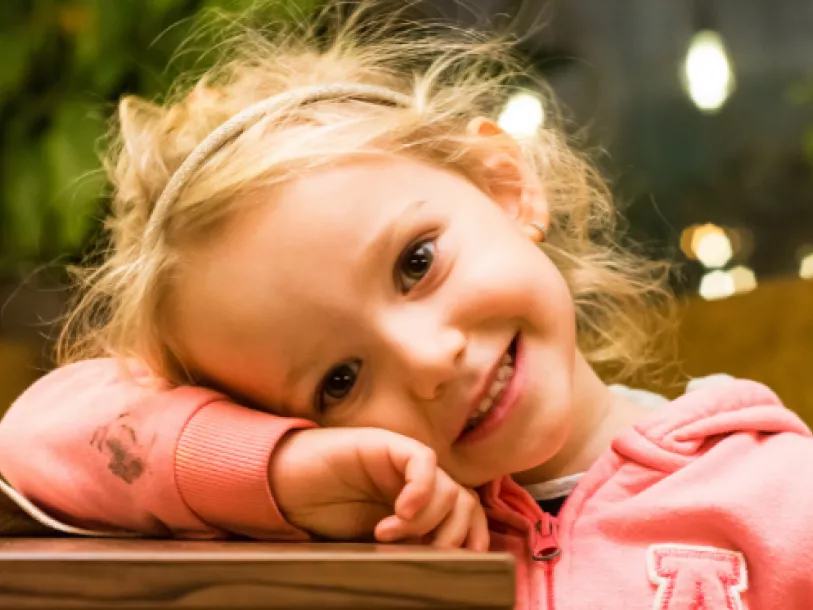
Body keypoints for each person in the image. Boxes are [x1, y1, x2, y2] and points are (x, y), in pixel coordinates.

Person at [2, 3, 813, 608]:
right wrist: (278, 472)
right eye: (339, 381)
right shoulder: (348, 523)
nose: (428, 361)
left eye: (414, 264)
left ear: (503, 187)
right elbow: (36, 442)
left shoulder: (773, 493)